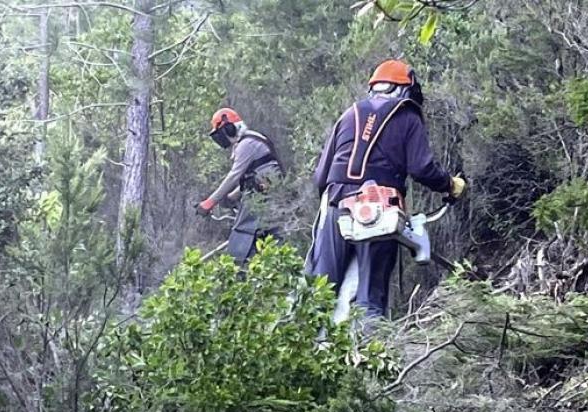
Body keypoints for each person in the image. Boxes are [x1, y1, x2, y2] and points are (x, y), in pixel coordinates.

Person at [306, 59, 466, 319]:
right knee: (370, 300)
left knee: (319, 293)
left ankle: (305, 353)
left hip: (334, 207)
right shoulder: (407, 114)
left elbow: (320, 176)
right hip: (376, 211)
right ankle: (366, 354)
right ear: (406, 89)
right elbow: (422, 168)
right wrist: (449, 185)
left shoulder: (349, 114)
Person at [196, 107, 284, 264]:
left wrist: (209, 202)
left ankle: (238, 273)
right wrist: (231, 197)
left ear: (229, 129)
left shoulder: (246, 144)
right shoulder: (251, 140)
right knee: (266, 237)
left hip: (262, 196)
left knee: (242, 235)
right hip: (265, 194)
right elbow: (249, 178)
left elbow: (233, 176)